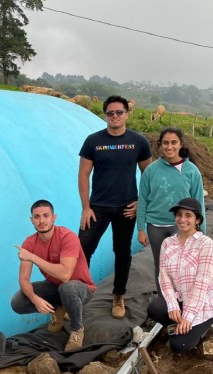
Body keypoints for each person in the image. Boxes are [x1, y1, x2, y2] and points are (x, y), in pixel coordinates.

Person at [78, 95, 153, 319]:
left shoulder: (139, 141)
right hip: (97, 208)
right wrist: (85, 207)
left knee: (122, 252)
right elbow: (83, 174)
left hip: (126, 208)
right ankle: (77, 296)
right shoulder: (93, 141)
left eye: (119, 112)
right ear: (105, 115)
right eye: (110, 113)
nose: (115, 116)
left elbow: (148, 176)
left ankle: (118, 295)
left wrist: (141, 202)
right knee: (82, 251)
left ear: (127, 114)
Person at [10, 200, 96, 351]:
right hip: (56, 287)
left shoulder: (67, 237)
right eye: (37, 217)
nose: (41, 221)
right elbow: (23, 279)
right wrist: (35, 299)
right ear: (32, 220)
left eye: (46, 216)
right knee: (18, 302)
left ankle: (77, 330)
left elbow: (65, 275)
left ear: (54, 217)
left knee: (67, 288)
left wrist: (32, 257)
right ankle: (59, 308)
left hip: (81, 288)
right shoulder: (29, 243)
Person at [146, 198, 213, 353]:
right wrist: (173, 305)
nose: (182, 219)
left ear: (197, 220)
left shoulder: (205, 243)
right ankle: (181, 326)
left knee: (179, 346)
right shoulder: (168, 243)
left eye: (188, 215)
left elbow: (202, 282)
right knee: (155, 308)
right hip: (181, 298)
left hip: (200, 302)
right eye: (179, 215)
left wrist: (188, 316)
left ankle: (204, 328)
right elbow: (164, 276)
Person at [136, 127, 205, 294]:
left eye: (174, 142)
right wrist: (140, 229)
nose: (169, 147)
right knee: (161, 265)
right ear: (160, 145)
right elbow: (143, 200)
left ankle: (183, 298)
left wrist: (201, 232)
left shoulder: (191, 171)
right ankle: (164, 300)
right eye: (165, 143)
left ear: (180, 144)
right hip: (155, 227)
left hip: (182, 227)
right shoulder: (151, 170)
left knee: (184, 264)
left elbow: (199, 203)